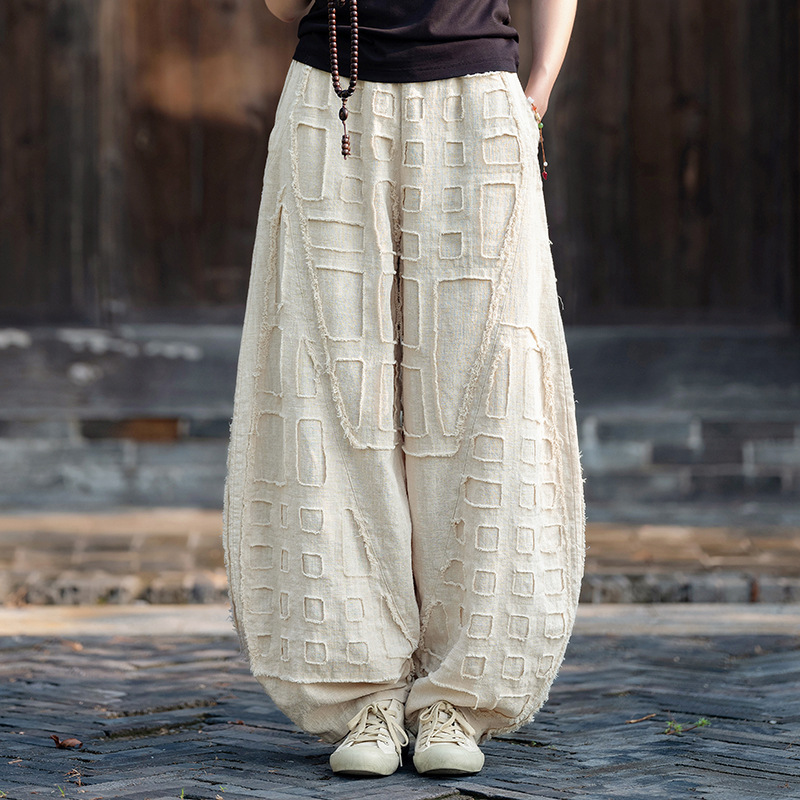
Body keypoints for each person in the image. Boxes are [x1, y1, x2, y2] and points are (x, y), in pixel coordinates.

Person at [223, 0, 585, 779]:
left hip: (477, 103)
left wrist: (539, 88)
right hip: (334, 101)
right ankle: (364, 697)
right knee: (326, 391)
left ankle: (461, 695)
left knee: (486, 394)